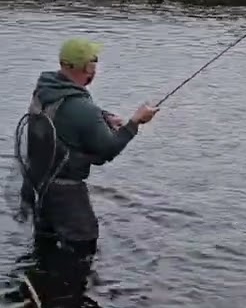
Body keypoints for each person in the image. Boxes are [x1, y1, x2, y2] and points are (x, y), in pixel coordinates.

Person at [17, 37, 158, 248]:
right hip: (66, 194)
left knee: (45, 246)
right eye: (93, 63)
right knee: (83, 246)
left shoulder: (45, 89)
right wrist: (135, 122)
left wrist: (103, 116)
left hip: (37, 184)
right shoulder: (81, 107)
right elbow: (108, 149)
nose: (95, 68)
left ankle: (39, 279)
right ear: (86, 68)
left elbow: (66, 117)